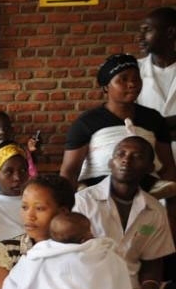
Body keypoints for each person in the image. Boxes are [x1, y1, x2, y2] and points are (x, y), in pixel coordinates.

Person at [74, 137, 175, 289]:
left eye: (137, 156)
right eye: (121, 154)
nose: (126, 160)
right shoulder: (83, 202)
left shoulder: (155, 210)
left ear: (150, 167)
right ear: (110, 163)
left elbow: (152, 263)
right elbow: (67, 254)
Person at [60, 53, 176, 190]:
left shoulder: (153, 119)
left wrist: (170, 201)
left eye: (136, 78)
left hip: (147, 192)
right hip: (96, 194)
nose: (132, 84)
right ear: (106, 87)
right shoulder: (87, 123)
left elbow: (167, 167)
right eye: (123, 79)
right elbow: (69, 172)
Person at [137, 7, 176, 117]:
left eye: (148, 30)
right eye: (141, 31)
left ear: (170, 32)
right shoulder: (135, 69)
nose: (140, 37)